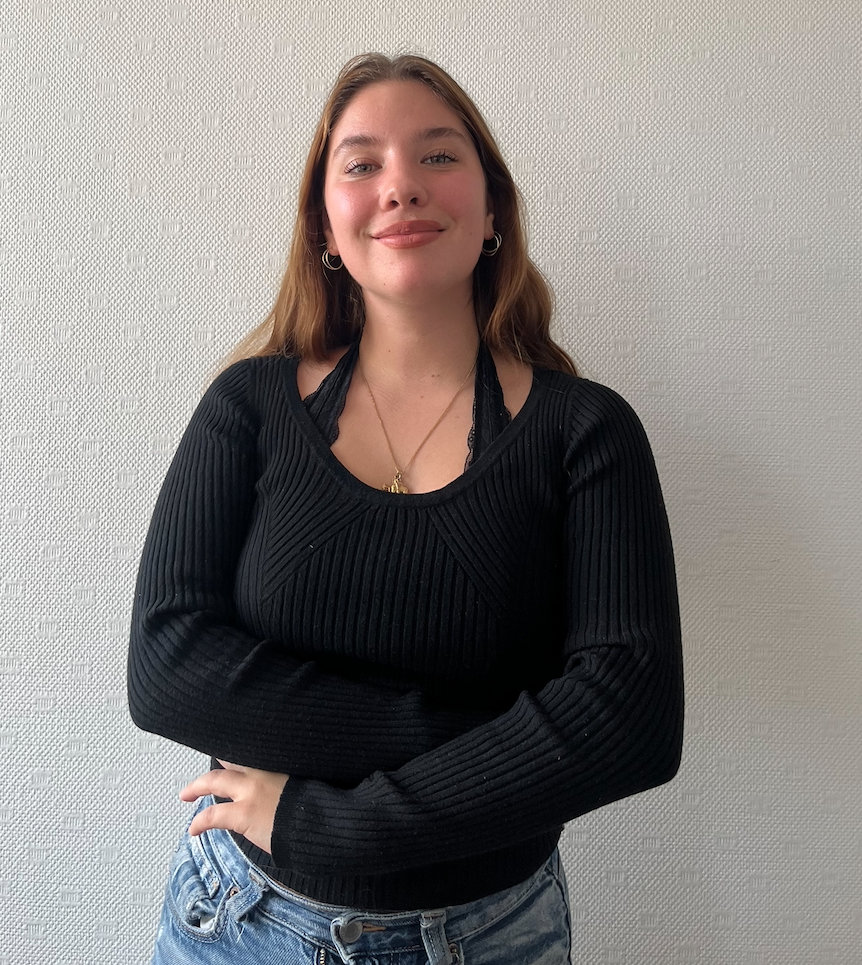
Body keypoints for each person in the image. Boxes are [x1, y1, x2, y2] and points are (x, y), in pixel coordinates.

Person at [127, 52, 684, 965]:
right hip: (239, 923)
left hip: (493, 936)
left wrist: (335, 825)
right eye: (362, 163)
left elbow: (629, 722)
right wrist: (477, 739)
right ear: (324, 225)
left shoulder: (586, 431)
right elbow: (167, 667)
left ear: (493, 209)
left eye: (437, 156)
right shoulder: (248, 407)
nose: (401, 187)